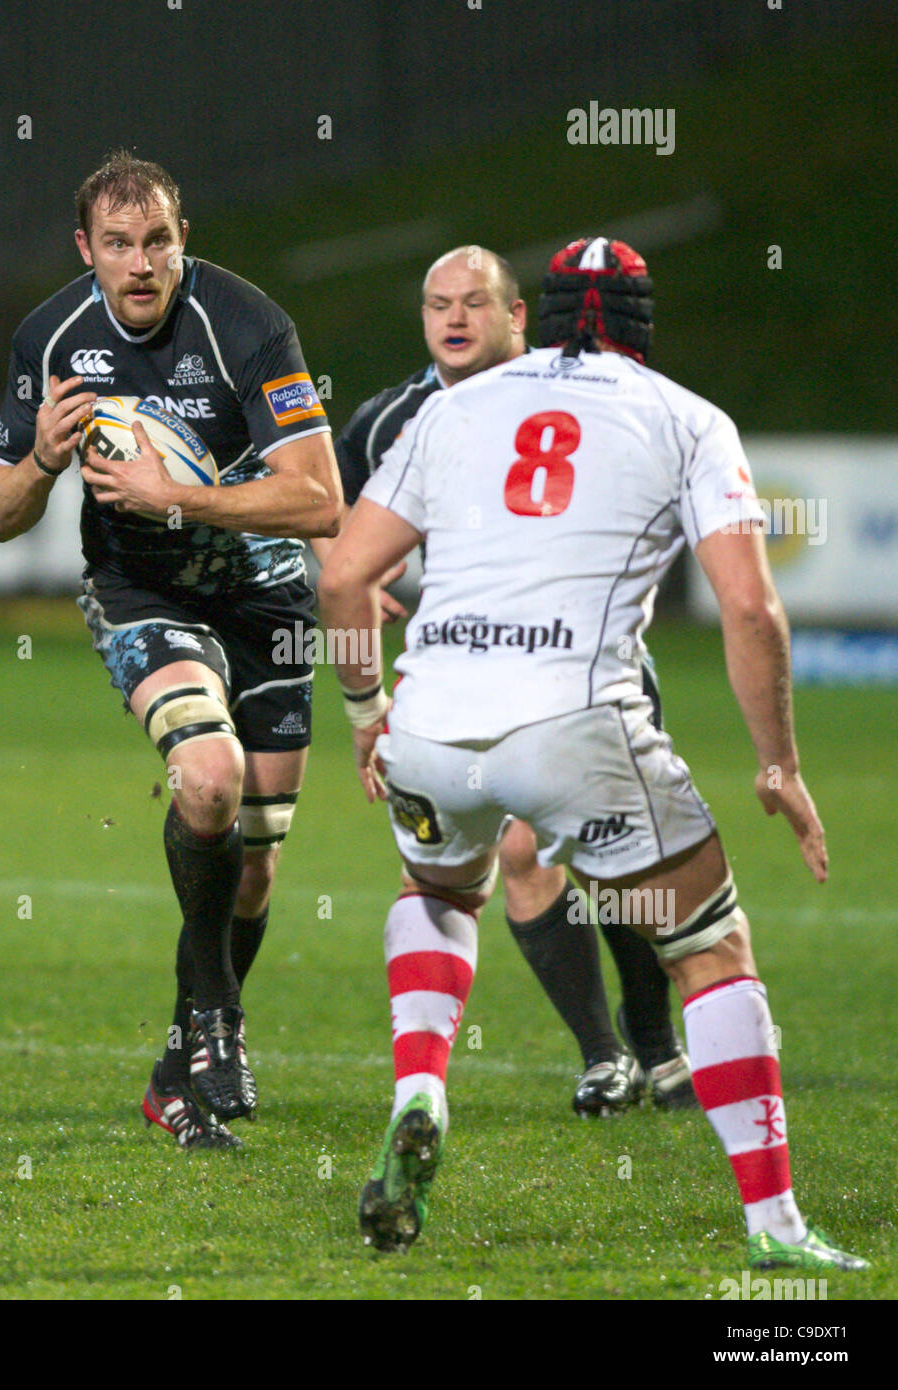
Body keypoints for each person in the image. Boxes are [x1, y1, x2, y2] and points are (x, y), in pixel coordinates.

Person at [318, 236, 868, 1271]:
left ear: (544, 312)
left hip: (432, 722)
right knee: (709, 946)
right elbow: (750, 607)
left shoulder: (449, 409)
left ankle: (420, 1087)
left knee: (437, 889)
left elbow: (344, 580)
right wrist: (778, 766)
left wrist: (364, 713)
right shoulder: (685, 418)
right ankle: (777, 1226)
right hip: (572, 727)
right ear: (641, 322)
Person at [0, 150, 342, 1149]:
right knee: (209, 779)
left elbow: (320, 500)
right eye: (120, 245)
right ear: (84, 249)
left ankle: (176, 1066)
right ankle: (219, 1019)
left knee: (257, 868)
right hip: (142, 594)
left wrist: (175, 493)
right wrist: (46, 459)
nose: (142, 266)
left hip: (266, 597)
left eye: (160, 241)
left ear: (184, 238)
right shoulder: (49, 339)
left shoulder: (250, 327)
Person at [314, 245, 693, 1116]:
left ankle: (653, 1038)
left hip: (590, 665)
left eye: (475, 303)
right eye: (436, 303)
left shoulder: (577, 393)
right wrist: (350, 572)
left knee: (612, 864)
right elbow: (323, 508)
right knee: (519, 849)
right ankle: (606, 1055)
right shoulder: (392, 421)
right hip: (471, 675)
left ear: (518, 316)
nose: (453, 319)